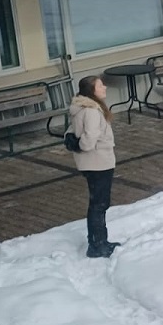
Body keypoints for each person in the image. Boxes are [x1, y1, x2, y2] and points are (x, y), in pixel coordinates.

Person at [69, 76, 121, 258]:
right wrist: (81, 145)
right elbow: (89, 140)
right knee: (99, 204)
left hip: (92, 163)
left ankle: (98, 241)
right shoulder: (91, 111)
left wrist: (73, 141)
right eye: (100, 85)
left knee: (97, 203)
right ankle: (98, 245)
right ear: (92, 91)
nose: (104, 87)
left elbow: (73, 129)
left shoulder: (82, 107)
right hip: (98, 163)